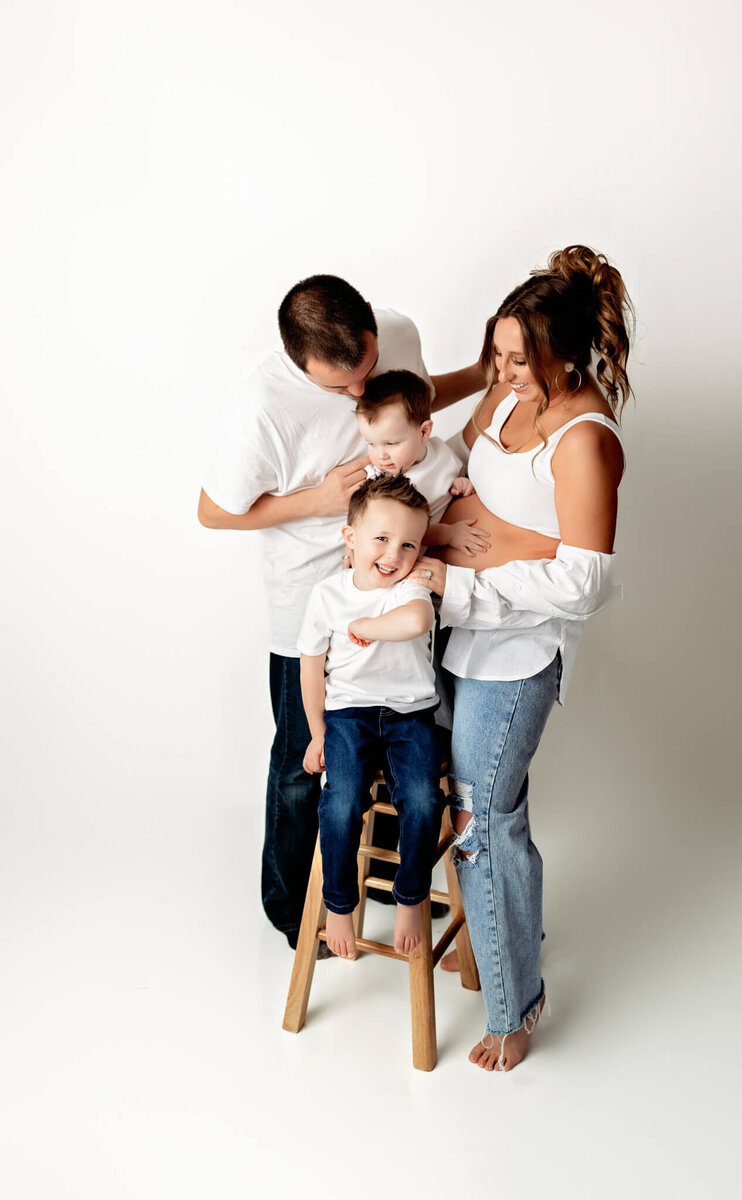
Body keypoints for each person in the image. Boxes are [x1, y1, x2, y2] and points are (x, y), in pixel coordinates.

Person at [198, 274, 482, 948]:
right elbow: (214, 510)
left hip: (400, 582)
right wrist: (321, 500)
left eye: (368, 370)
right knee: (307, 762)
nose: (360, 393)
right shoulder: (260, 407)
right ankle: (294, 908)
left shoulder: (397, 334)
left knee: (403, 737)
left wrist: (482, 374)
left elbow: (409, 401)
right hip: (313, 602)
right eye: (341, 386)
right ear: (299, 360)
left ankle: (386, 881)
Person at [408, 244, 634, 1072]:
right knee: (486, 813)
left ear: (566, 355)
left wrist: (486, 561)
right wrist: (481, 536)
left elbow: (585, 580)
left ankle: (513, 1006)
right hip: (453, 632)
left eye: (520, 360)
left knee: (481, 819)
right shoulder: (504, 401)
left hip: (513, 655)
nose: (504, 374)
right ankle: (510, 934)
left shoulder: (582, 439)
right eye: (498, 356)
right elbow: (457, 469)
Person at [297, 474, 446, 958]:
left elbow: (417, 622)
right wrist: (317, 732)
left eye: (408, 544)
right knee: (341, 804)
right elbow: (311, 667)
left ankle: (409, 895)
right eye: (381, 539)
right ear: (351, 537)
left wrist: (366, 625)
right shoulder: (327, 596)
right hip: (347, 715)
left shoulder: (409, 589)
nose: (394, 555)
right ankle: (339, 904)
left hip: (410, 716)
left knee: (422, 801)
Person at [356, 369, 490, 557]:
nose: (380, 455)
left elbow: (449, 476)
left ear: (424, 432)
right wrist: (449, 534)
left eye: (391, 443)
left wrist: (459, 484)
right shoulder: (379, 483)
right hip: (395, 561)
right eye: (371, 443)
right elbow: (401, 534)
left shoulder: (442, 453)